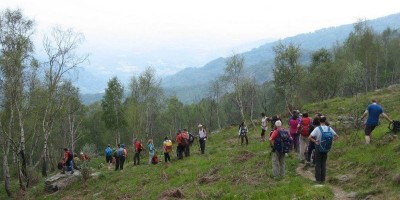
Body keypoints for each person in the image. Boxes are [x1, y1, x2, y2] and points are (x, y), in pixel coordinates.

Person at [308, 116, 338, 184]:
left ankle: (318, 180)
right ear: (325, 121)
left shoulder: (317, 128)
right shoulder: (329, 128)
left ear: (319, 121)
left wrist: (315, 141)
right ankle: (323, 179)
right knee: (323, 163)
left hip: (318, 146)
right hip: (326, 147)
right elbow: (336, 136)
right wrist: (330, 141)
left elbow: (309, 137)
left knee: (318, 163)